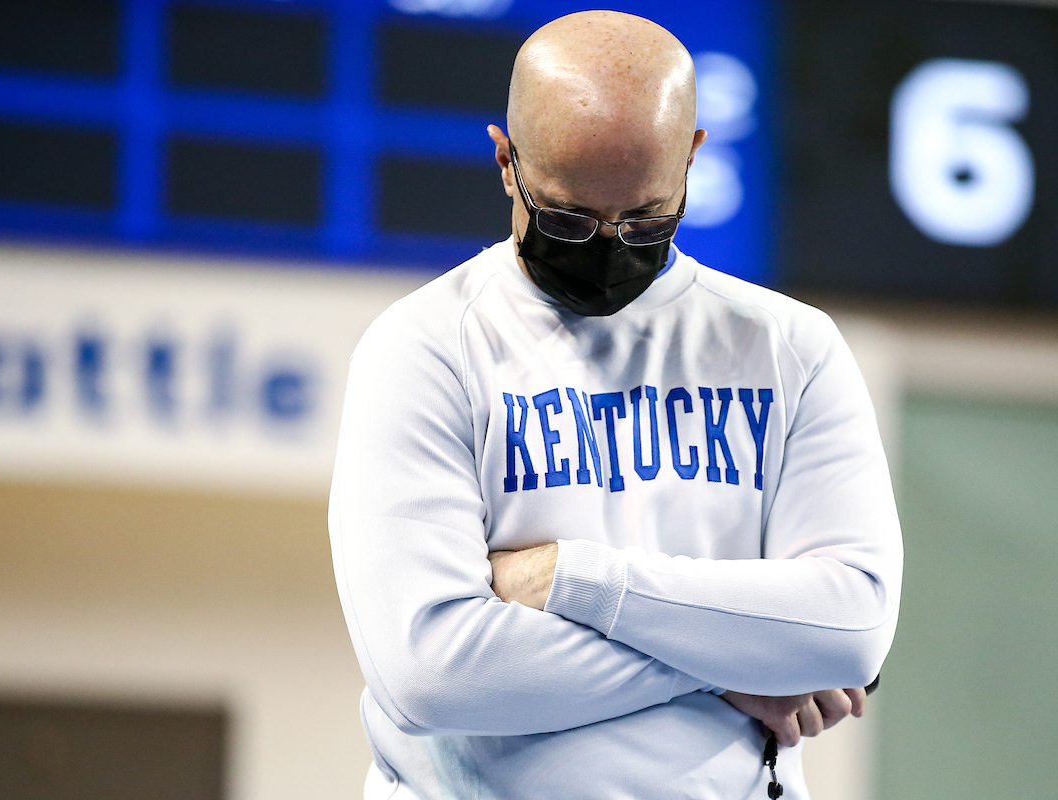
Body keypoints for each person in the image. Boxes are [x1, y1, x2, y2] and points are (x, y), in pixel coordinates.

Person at [329, 10, 902, 799]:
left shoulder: (791, 350)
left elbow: (853, 627)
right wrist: (736, 661)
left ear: (693, 155)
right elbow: (431, 674)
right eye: (567, 219)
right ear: (506, 160)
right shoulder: (425, 348)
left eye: (645, 218)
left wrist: (572, 577)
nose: (607, 245)